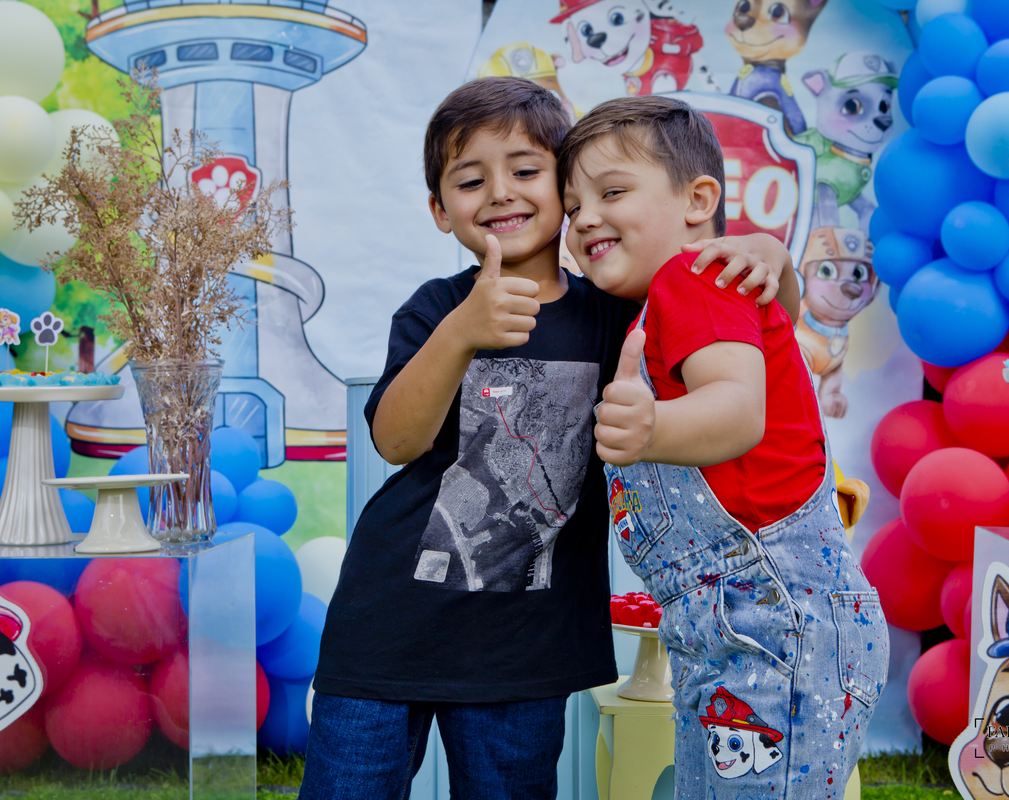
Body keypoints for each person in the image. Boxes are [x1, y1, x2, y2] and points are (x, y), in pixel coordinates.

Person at [300, 78, 797, 800]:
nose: (500, 192)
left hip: (526, 651)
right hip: (386, 629)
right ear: (440, 210)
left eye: (526, 170)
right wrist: (462, 332)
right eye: (470, 180)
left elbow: (755, 327)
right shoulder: (437, 308)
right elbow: (397, 442)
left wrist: (768, 255)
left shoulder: (615, 314)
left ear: (566, 191)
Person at [557, 94, 890, 798]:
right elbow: (778, 324)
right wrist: (778, 262)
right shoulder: (680, 295)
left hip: (776, 622)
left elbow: (739, 411)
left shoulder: (691, 278)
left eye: (611, 192)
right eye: (572, 205)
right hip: (738, 629)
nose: (584, 217)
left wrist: (653, 428)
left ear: (699, 199)